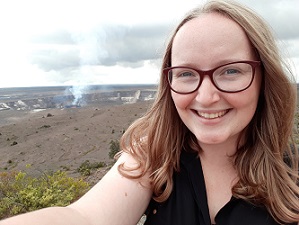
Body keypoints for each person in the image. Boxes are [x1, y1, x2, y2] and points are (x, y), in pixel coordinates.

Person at [1, 0, 298, 224]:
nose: (206, 97)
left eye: (231, 70)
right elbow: (84, 217)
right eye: (186, 74)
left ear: (265, 79)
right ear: (168, 82)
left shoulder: (292, 173)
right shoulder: (152, 156)